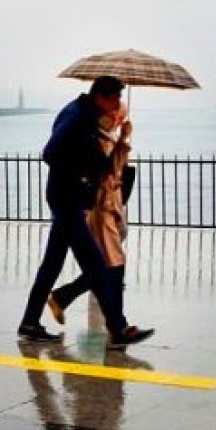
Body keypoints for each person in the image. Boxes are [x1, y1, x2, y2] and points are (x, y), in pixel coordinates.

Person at [18, 76, 153, 348]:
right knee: (95, 264)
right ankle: (119, 329)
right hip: (67, 199)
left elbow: (94, 159)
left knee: (52, 264)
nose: (117, 105)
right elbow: (51, 152)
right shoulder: (76, 116)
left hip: (69, 200)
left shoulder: (86, 116)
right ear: (101, 97)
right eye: (115, 99)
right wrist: (80, 177)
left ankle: (30, 322)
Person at [48, 105, 132, 324]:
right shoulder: (96, 139)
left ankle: (62, 297)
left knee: (105, 266)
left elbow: (116, 168)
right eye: (113, 115)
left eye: (119, 116)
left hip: (110, 207)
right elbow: (105, 170)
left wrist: (123, 140)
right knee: (110, 266)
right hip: (100, 209)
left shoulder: (109, 138)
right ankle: (117, 325)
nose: (116, 119)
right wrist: (123, 140)